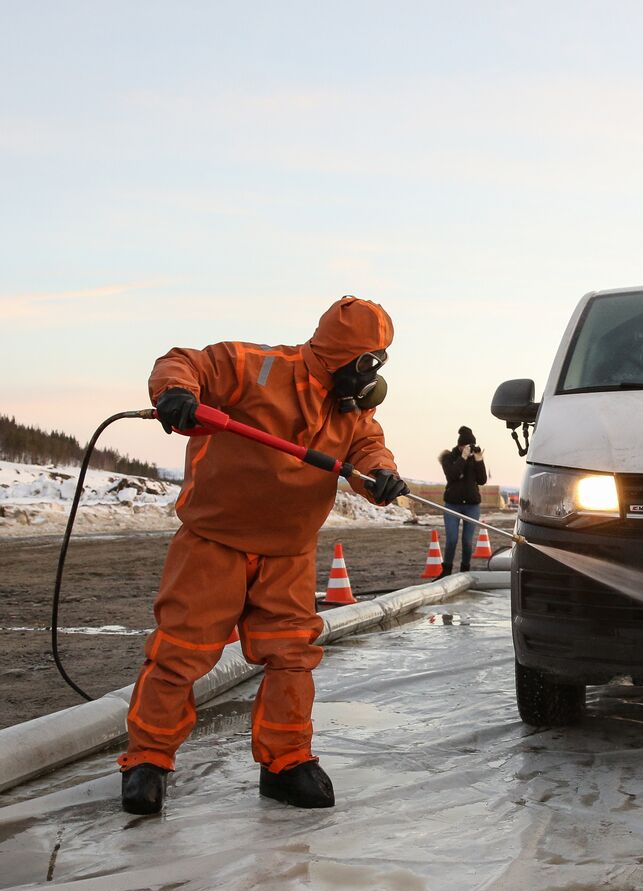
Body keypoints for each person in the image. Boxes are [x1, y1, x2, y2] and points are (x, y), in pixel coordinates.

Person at [118, 295, 410, 815]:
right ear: (341, 353)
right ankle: (148, 760)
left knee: (292, 657)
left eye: (380, 362)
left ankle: (286, 763)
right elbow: (182, 361)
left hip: (289, 554)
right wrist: (177, 393)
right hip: (215, 542)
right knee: (180, 652)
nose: (374, 373)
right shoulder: (254, 367)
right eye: (369, 360)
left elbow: (367, 448)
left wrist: (380, 474)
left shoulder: (354, 408)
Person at [439, 427, 488, 574]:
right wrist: (463, 458)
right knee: (452, 540)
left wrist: (479, 461)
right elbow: (452, 475)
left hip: (472, 506)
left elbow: (482, 480)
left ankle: (464, 571)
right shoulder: (449, 457)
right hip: (452, 505)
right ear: (460, 446)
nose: (469, 448)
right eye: (466, 446)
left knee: (467, 542)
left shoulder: (475, 458)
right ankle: (446, 571)